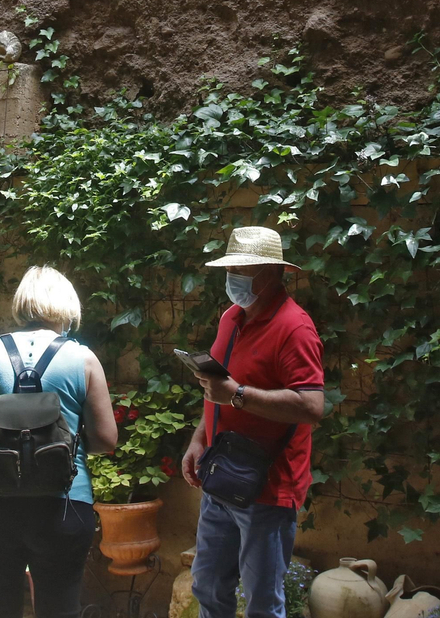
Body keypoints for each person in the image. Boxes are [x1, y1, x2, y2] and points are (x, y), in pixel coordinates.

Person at [0, 266, 119, 618]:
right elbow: (106, 439)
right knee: (60, 607)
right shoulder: (82, 358)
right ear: (67, 306)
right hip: (63, 503)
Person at [181, 226, 325, 618]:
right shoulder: (232, 316)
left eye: (242, 269)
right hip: (220, 475)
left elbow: (311, 406)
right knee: (208, 588)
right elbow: (219, 386)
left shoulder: (295, 327)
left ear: (271, 273)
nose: (233, 278)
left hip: (268, 486)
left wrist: (239, 395)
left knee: (262, 602)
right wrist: (199, 438)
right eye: (231, 268)